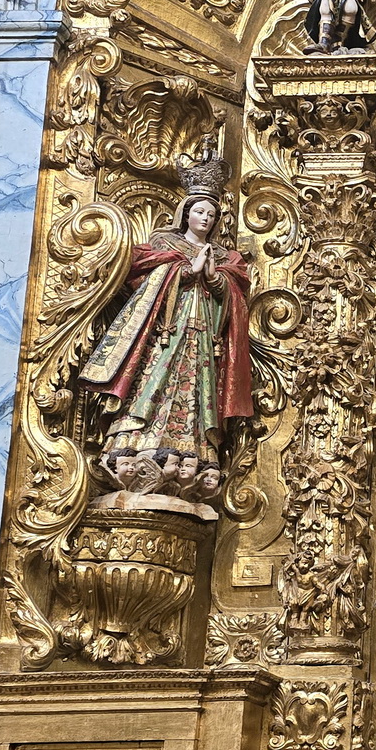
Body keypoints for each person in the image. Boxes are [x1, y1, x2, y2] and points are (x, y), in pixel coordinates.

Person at [80, 159, 252, 500]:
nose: (206, 219)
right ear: (186, 214)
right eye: (200, 211)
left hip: (204, 335)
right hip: (166, 331)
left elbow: (236, 292)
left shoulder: (224, 256)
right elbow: (139, 276)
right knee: (155, 377)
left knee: (198, 385)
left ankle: (193, 451)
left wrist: (215, 278)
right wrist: (185, 271)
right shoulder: (165, 246)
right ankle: (135, 443)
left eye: (212, 215)